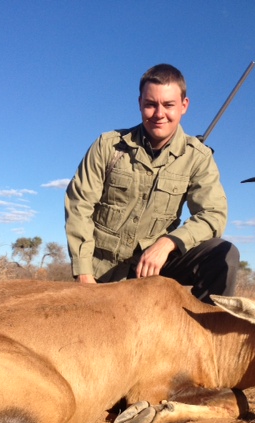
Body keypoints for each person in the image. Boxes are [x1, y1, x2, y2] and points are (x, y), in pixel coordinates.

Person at [64, 64, 239, 302]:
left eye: (168, 105)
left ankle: (204, 325)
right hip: (103, 272)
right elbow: (79, 204)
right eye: (150, 104)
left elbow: (213, 214)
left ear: (184, 105)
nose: (159, 114)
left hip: (154, 269)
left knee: (224, 255)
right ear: (140, 103)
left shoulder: (199, 157)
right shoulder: (108, 145)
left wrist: (169, 243)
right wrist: (84, 274)